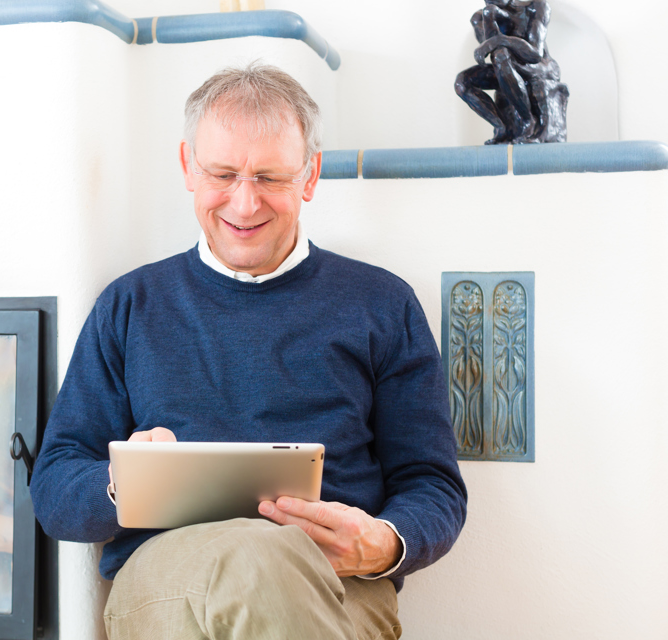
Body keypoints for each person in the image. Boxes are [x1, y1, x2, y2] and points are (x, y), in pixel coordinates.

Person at [30, 63, 467, 639]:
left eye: (269, 177)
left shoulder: (382, 304)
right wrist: (124, 481)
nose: (244, 203)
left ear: (309, 176)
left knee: (271, 560)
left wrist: (383, 543)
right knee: (257, 558)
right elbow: (54, 490)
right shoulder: (130, 305)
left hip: (336, 585)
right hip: (167, 580)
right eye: (223, 174)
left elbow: (431, 482)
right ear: (188, 167)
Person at [455, 0, 568, 144]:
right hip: (506, 65)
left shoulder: (535, 6)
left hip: (541, 67)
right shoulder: (481, 17)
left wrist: (499, 40)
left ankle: (528, 121)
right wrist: (490, 17)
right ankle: (501, 126)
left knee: (501, 56)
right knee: (462, 83)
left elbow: (535, 55)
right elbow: (492, 54)